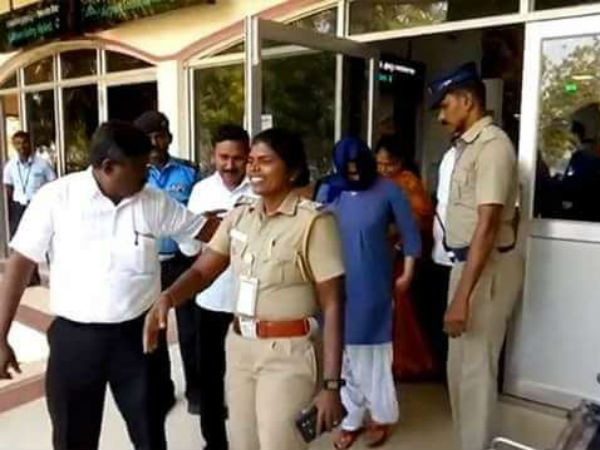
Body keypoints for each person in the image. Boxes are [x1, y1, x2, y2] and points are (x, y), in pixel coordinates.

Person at [0, 121, 220, 450]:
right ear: (108, 167)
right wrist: (0, 335)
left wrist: (249, 216)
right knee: (74, 437)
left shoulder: (153, 201)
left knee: (150, 434)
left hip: (139, 339)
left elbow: (206, 230)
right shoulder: (57, 198)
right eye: (140, 168)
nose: (147, 175)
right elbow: (20, 264)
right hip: (75, 341)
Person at [144, 128, 346, 450]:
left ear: (293, 171)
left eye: (265, 161)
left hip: (288, 352)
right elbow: (202, 270)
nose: (253, 168)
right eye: (251, 160)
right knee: (242, 443)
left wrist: (332, 385)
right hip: (240, 347)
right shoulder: (240, 216)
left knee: (279, 443)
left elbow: (334, 305)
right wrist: (168, 297)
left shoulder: (314, 222)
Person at [429, 62, 523, 450]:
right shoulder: (467, 146)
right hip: (468, 265)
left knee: (475, 372)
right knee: (459, 370)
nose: (441, 116)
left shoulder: (493, 146)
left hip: (486, 268)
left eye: (445, 105)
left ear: (467, 101)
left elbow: (487, 224)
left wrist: (462, 298)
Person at [315, 137, 421, 449]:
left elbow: (410, 233)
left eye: (359, 168)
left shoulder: (388, 190)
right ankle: (350, 419)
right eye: (348, 170)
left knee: (371, 354)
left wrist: (407, 273)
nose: (355, 174)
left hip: (371, 282)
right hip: (332, 282)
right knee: (341, 354)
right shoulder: (328, 191)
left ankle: (381, 415)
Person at [180, 124, 253, 450]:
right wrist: (206, 226)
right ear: (213, 156)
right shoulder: (201, 192)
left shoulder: (261, 189)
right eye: (224, 157)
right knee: (210, 377)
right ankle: (214, 442)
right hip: (211, 299)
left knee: (249, 379)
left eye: (237, 158)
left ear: (248, 156)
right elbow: (188, 250)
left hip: (252, 303)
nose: (230, 165)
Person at [134, 110, 201, 415]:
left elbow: (198, 215)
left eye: (159, 136)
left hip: (182, 262)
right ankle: (162, 392)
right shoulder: (134, 176)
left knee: (190, 330)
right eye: (147, 138)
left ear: (169, 138)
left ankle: (197, 391)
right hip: (147, 265)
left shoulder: (189, 172)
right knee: (154, 329)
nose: (154, 143)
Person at [374, 134, 436, 381]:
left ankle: (407, 362)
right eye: (379, 164)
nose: (383, 169)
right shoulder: (375, 181)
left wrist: (394, 230)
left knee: (401, 309)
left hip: (401, 253)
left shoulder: (408, 182)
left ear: (400, 162)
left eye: (389, 164)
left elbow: (419, 218)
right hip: (380, 253)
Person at [3, 131, 56, 285]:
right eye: (18, 143)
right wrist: (9, 210)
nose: (22, 146)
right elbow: (8, 187)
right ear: (14, 145)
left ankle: (54, 274)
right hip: (19, 207)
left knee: (46, 240)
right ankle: (31, 277)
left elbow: (52, 184)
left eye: (24, 142)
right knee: (23, 244)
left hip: (38, 206)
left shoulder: (42, 164)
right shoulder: (10, 166)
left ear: (30, 144)